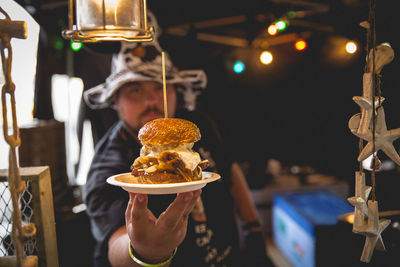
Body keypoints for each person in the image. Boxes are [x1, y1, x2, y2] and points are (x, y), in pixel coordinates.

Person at [82, 11, 273, 267]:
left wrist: (252, 226)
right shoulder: (109, 164)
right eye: (136, 90)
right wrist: (145, 250)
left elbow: (230, 170)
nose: (151, 101)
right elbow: (113, 244)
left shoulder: (196, 125)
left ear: (174, 90)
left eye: (160, 87)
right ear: (115, 100)